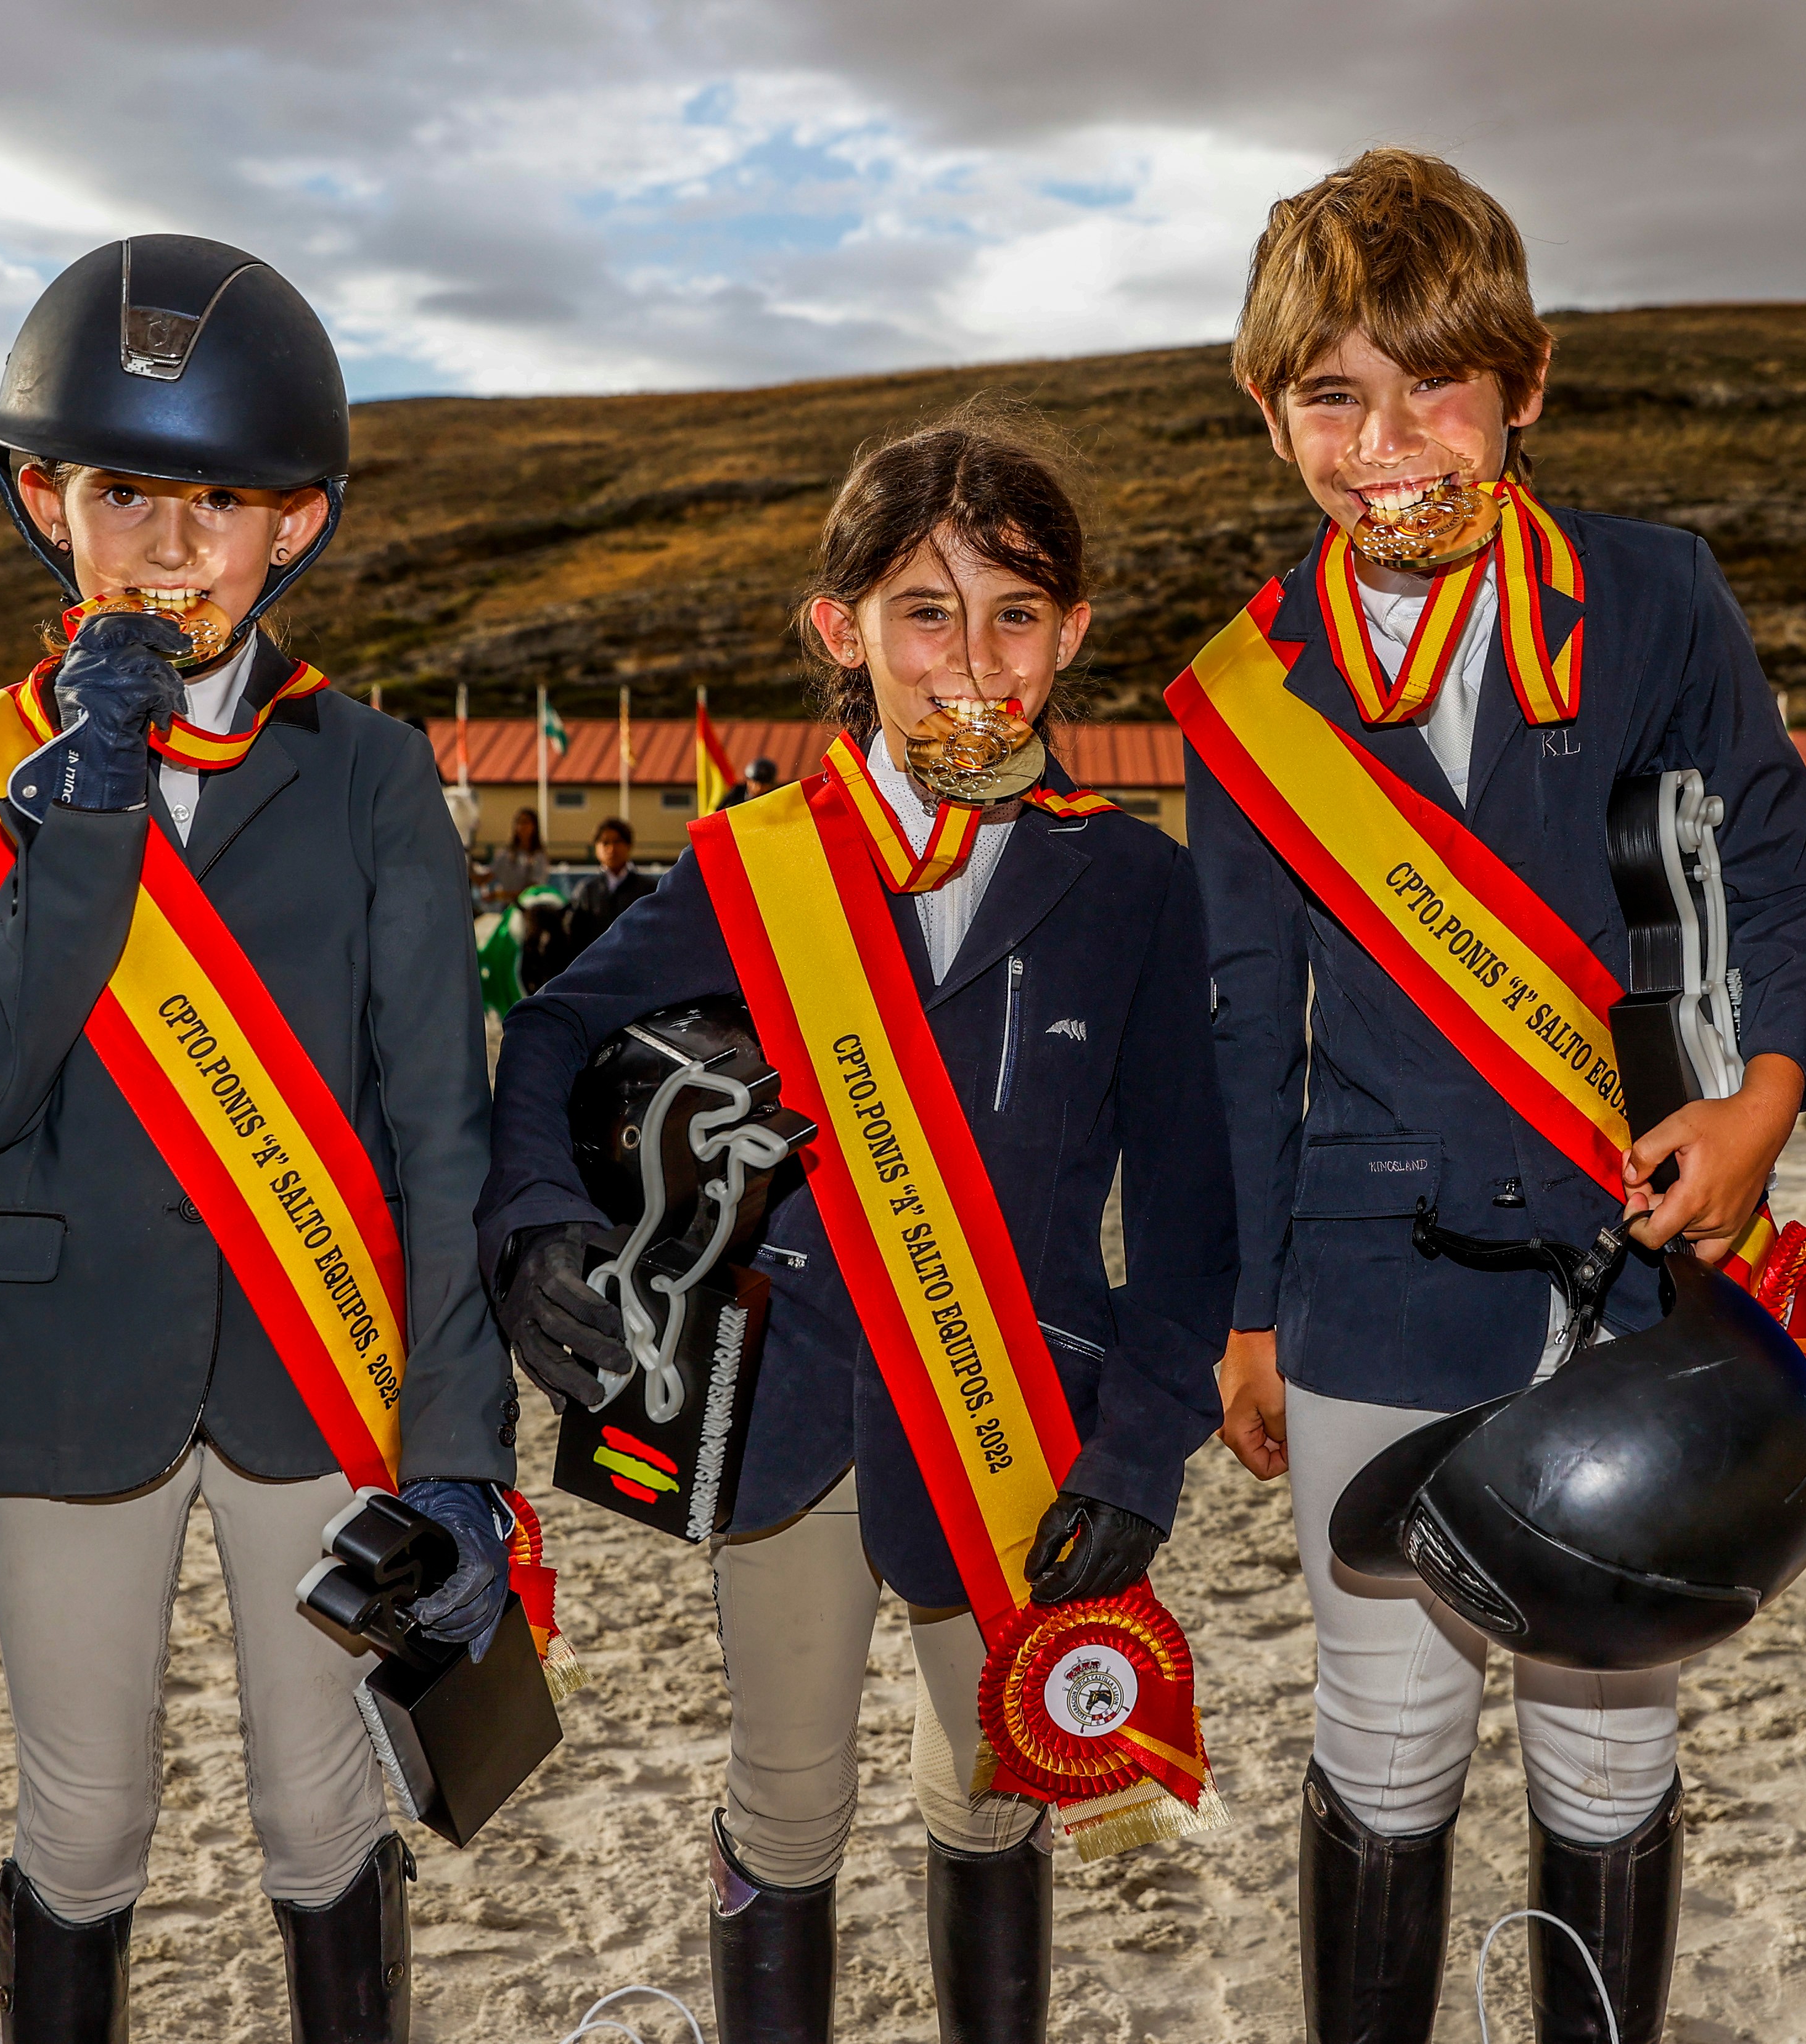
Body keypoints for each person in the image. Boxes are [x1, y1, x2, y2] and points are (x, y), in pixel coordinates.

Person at [1180, 150, 1806, 2044]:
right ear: (1267, 412)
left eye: (1432, 385)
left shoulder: (1652, 595)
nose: (1385, 441)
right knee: (1382, 1733)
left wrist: (1764, 1094)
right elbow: (1246, 1015)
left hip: (1632, 1265)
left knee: (1609, 1740)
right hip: (1365, 1267)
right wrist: (1242, 1301)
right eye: (1331, 396)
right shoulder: (1247, 684)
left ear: (1525, 382)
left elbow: (1778, 855)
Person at [480, 408, 1234, 2044]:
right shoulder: (751, 868)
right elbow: (544, 1038)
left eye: (1015, 612)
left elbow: (1186, 1207)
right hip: (788, 1422)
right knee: (789, 1802)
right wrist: (537, 1224)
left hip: (1021, 1424)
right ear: (842, 630)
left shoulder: (1133, 891)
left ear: (1074, 632)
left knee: (990, 1797)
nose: (973, 658)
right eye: (923, 610)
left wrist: (1140, 1451)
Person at [0, 234, 515, 2043]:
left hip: (319, 1368)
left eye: (222, 503)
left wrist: (459, 1444)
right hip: (65, 1366)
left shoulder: (372, 770)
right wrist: (81, 809)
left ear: (297, 524)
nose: (170, 548)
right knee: (84, 1825)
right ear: (39, 497)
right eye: (124, 492)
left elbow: (438, 1125)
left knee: (322, 1818)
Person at [570, 815, 650, 933]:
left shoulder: (648, 889)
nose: (612, 849)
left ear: (629, 846)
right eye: (605, 843)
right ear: (596, 848)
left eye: (618, 842)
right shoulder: (586, 890)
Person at [483, 805, 549, 908]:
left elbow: (532, 889)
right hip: (506, 908)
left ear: (534, 827)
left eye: (526, 822)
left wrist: (500, 895)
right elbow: (486, 877)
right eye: (519, 822)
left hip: (528, 909)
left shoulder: (539, 856)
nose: (521, 827)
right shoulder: (505, 855)